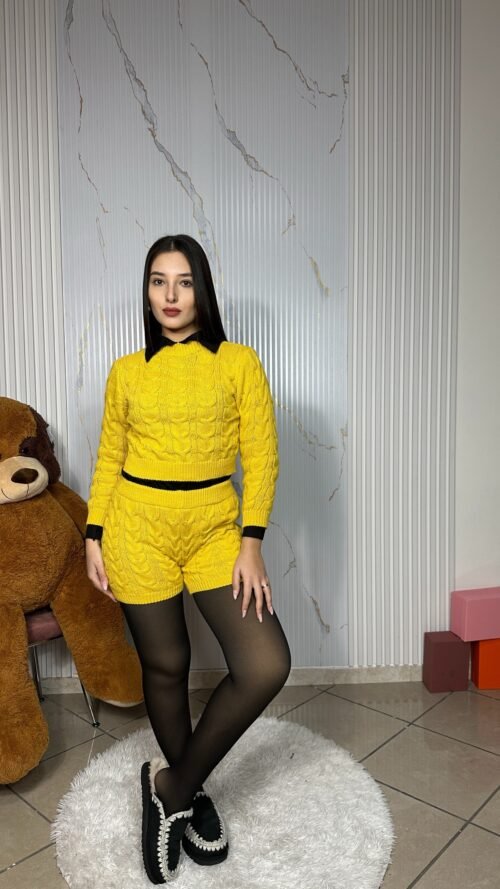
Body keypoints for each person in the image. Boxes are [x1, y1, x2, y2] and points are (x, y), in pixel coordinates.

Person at [85, 234, 291, 884]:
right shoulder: (126, 370)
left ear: (202, 287)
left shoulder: (238, 362)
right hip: (136, 525)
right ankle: (191, 792)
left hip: (214, 528)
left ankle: (169, 787)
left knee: (264, 663)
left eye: (183, 281)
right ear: (147, 292)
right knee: (167, 664)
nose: (170, 295)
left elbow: (262, 455)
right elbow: (108, 458)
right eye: (158, 281)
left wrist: (251, 542)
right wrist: (93, 535)